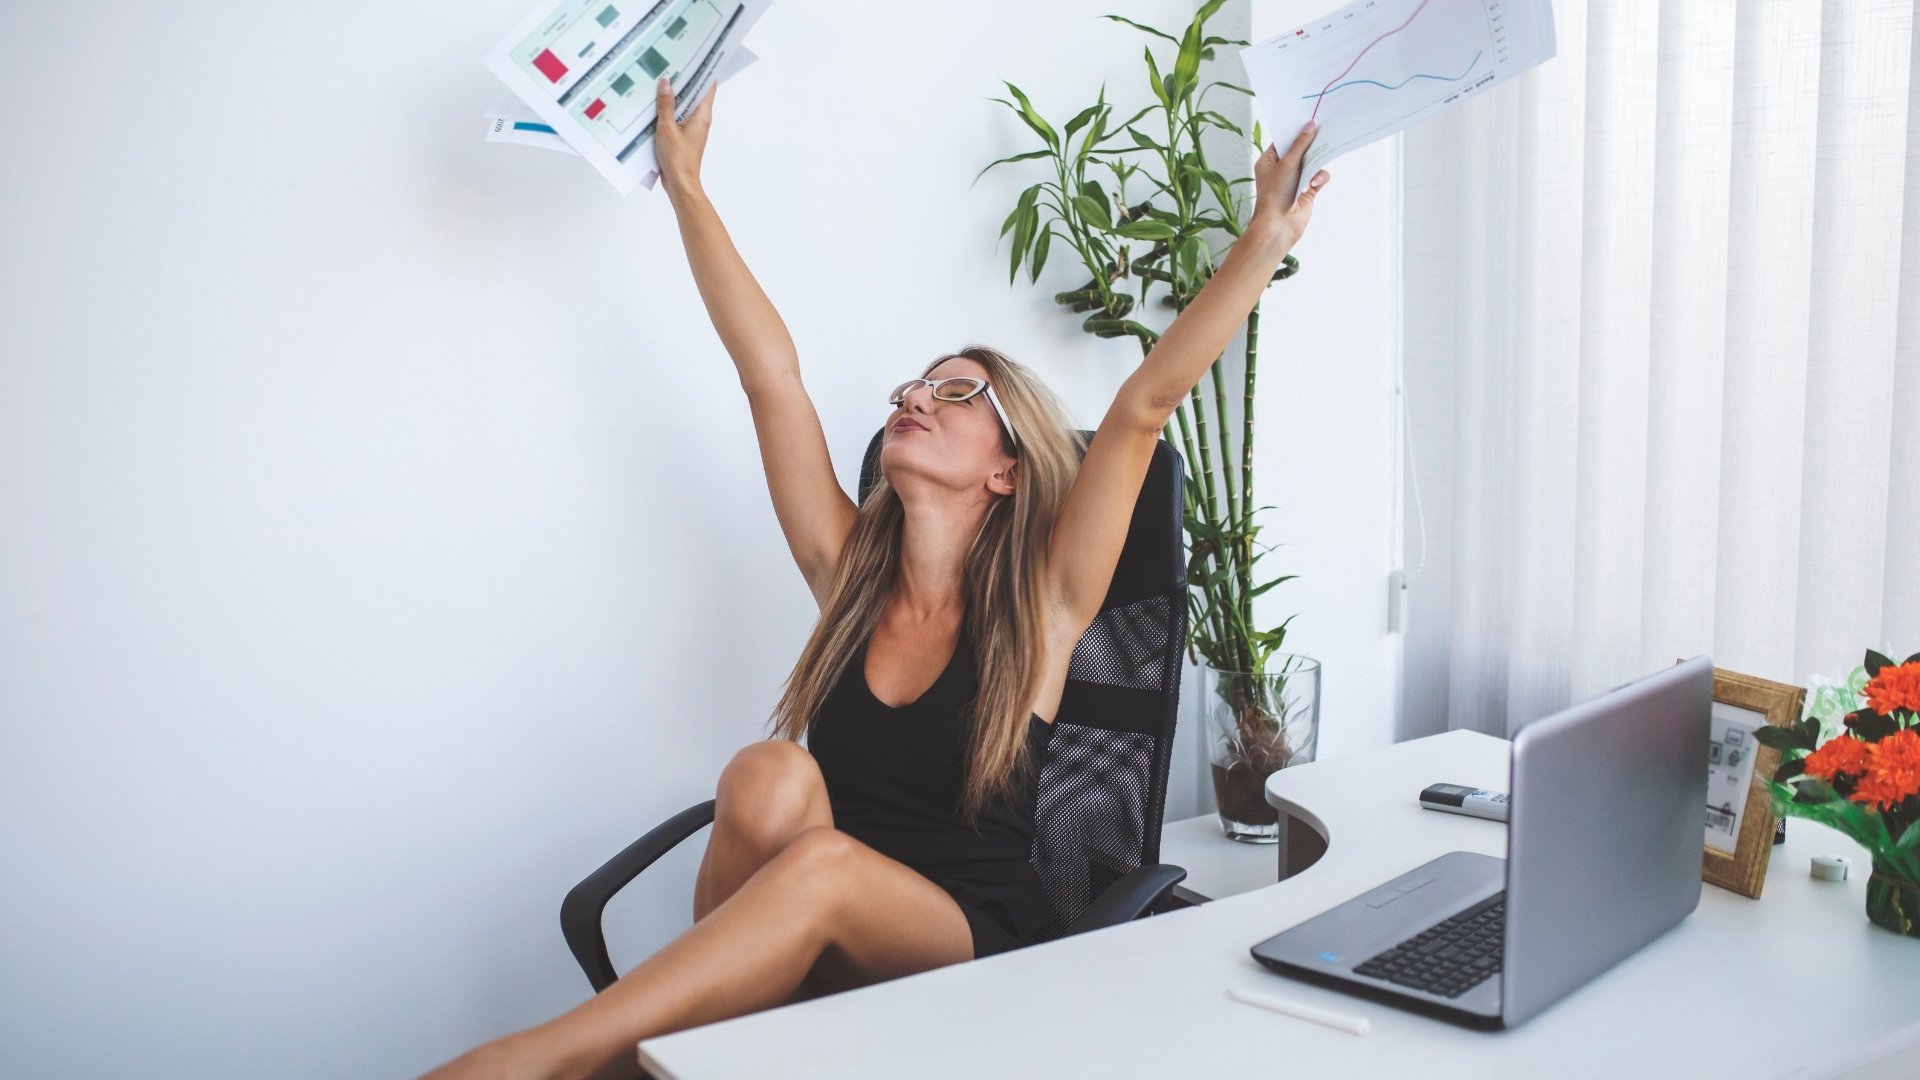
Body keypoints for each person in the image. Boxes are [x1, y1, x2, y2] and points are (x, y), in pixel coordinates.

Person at [423, 74, 1329, 1080]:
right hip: (826, 919)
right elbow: (770, 374)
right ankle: (705, 1058)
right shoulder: (848, 577)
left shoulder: (1046, 608)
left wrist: (1264, 243)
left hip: (970, 946)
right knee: (769, 774)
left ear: (1006, 468)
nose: (916, 396)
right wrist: (684, 184)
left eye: (956, 392)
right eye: (913, 386)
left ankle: (544, 1062)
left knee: (822, 867)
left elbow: (1142, 409)